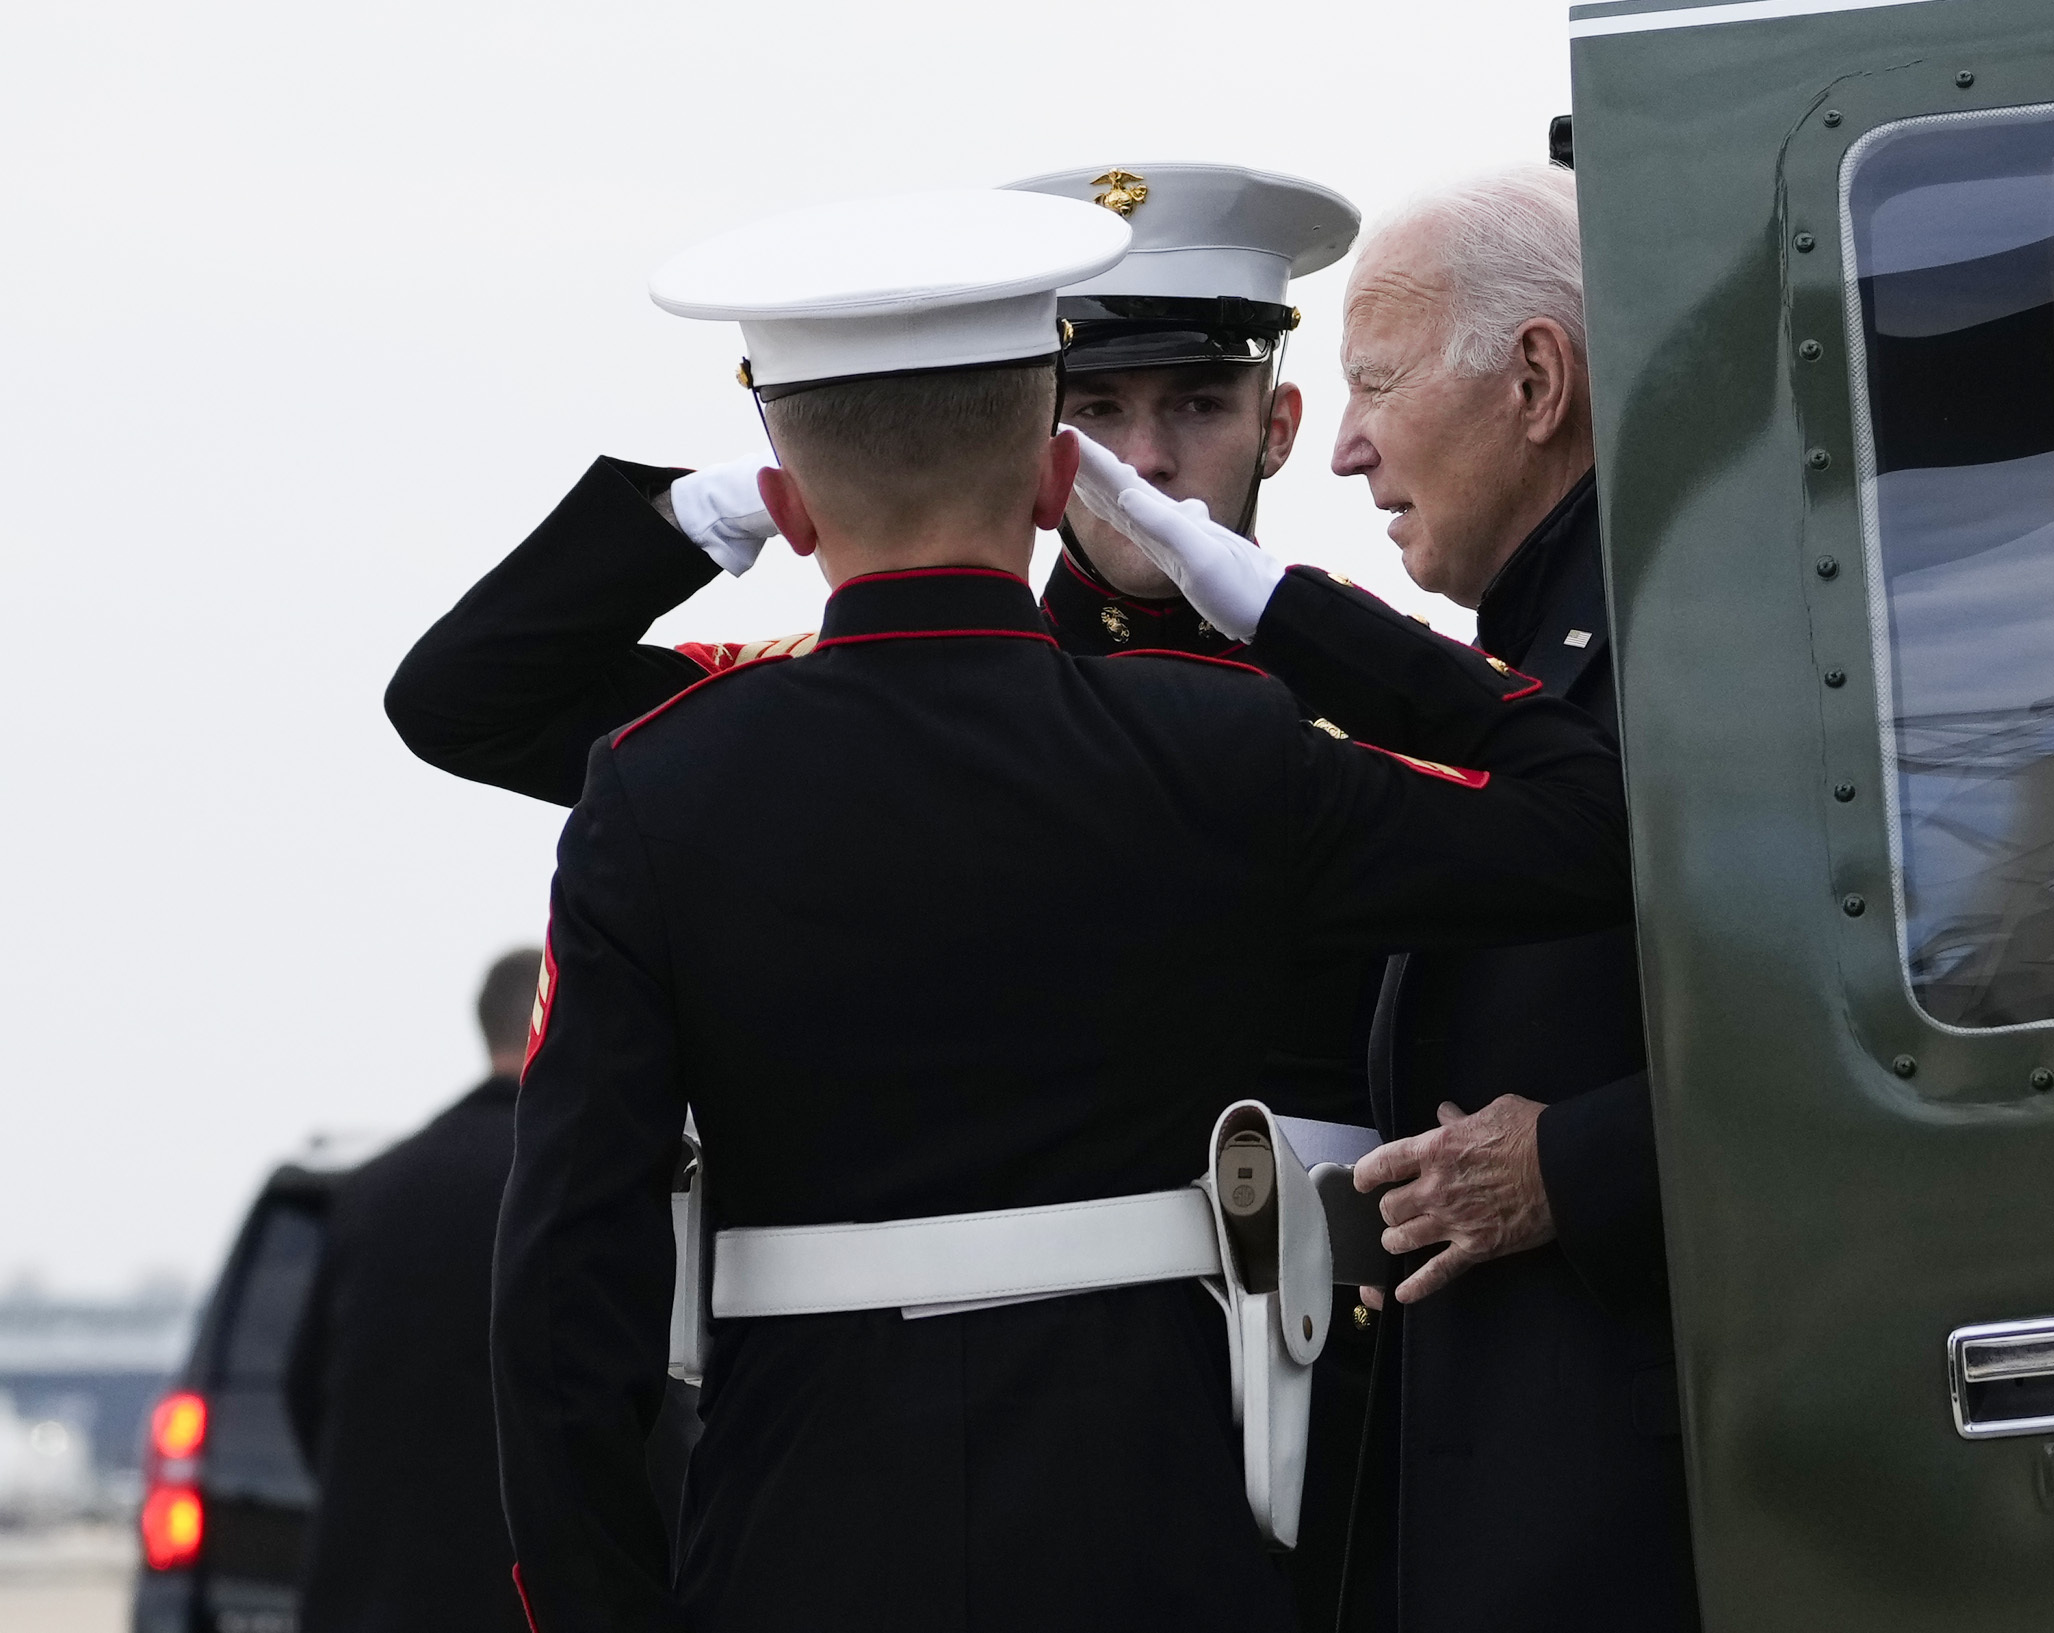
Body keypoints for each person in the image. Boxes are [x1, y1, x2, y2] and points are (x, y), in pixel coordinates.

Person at [489, 186, 1634, 1632]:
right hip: (1157, 1523)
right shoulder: (1218, 743)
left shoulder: (657, 787)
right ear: (1057, 481)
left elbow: (564, 1295)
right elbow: (1589, 822)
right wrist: (1273, 603)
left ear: (783, 494)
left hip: (799, 1530)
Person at [1329, 165, 1698, 1630]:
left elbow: (1866, 1027)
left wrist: (1578, 1167)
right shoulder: (1532, 662)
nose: (1348, 449)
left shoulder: (1683, 651)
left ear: (1535, 379)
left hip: (1648, 1516)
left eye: (1376, 384)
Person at [281, 950, 542, 1633]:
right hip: (515, 1596)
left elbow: (303, 1385)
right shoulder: (566, 1185)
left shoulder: (374, 1187)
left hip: (364, 1594)